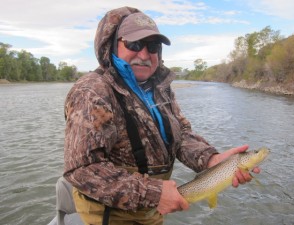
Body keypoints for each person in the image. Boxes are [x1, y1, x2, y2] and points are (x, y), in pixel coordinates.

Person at [63, 6, 260, 225]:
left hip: (150, 213)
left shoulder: (159, 87)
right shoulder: (92, 92)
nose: (145, 54)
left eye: (153, 46)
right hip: (110, 218)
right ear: (112, 45)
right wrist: (154, 194)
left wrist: (211, 160)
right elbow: (82, 169)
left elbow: (181, 135)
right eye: (134, 44)